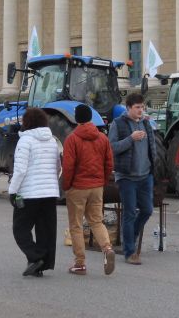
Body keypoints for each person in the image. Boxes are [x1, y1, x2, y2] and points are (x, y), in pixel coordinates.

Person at [62, 104, 115, 276]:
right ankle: (107, 248)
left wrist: (66, 186)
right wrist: (103, 181)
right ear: (91, 118)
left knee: (76, 225)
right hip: (97, 186)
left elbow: (68, 166)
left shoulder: (72, 139)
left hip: (78, 187)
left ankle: (80, 263)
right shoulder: (102, 138)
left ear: (76, 118)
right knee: (96, 221)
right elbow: (109, 164)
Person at [7, 108, 60, 277]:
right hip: (50, 192)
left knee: (20, 229)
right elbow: (58, 167)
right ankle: (41, 264)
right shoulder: (52, 141)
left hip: (30, 193)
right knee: (45, 230)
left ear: (26, 122)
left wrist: (13, 191)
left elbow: (20, 170)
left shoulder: (25, 141)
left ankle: (35, 257)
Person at [108, 92, 157, 265]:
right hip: (127, 176)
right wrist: (130, 139)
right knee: (129, 213)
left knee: (147, 210)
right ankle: (130, 252)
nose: (140, 110)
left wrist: (154, 166)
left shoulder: (145, 122)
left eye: (142, 107)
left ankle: (132, 235)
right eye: (137, 107)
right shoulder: (118, 123)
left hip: (145, 175)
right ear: (128, 108)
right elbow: (111, 148)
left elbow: (152, 145)